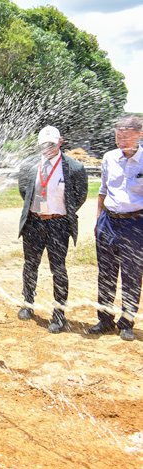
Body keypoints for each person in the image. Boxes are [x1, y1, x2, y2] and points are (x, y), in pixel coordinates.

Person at [16, 125, 88, 333]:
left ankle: (59, 314)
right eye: (43, 145)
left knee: (58, 268)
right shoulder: (29, 165)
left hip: (58, 224)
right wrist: (39, 211)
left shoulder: (74, 168)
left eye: (52, 144)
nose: (47, 148)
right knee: (30, 264)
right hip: (34, 222)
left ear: (60, 142)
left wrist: (57, 213)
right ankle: (28, 303)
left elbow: (79, 196)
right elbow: (24, 191)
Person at [89, 116, 143, 341]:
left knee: (132, 274)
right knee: (106, 273)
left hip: (135, 223)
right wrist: (98, 219)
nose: (120, 140)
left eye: (125, 135)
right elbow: (103, 190)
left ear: (139, 134)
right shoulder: (109, 157)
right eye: (117, 136)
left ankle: (126, 322)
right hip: (108, 222)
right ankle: (104, 320)